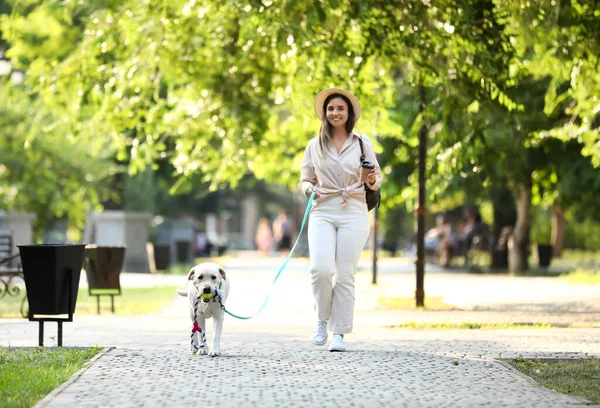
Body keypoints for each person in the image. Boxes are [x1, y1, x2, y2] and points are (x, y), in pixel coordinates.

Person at [298, 88, 382, 352]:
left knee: (345, 274)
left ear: (349, 113)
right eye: (331, 108)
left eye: (340, 109)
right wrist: (309, 189)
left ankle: (340, 333)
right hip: (323, 209)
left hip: (354, 209)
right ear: (324, 113)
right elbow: (305, 179)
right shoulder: (314, 145)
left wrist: (371, 179)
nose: (335, 113)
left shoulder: (361, 142)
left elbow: (376, 177)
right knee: (320, 270)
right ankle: (322, 318)